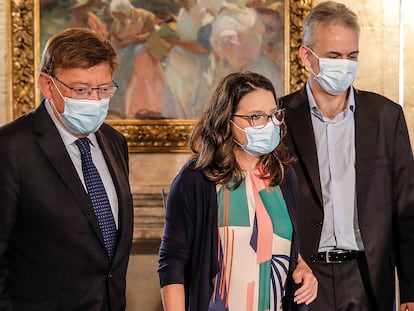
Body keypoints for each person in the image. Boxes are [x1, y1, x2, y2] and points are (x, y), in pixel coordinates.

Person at [279, 1, 414, 310]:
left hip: (368, 277)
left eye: (352, 56)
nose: (345, 64)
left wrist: (410, 289)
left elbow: (406, 207)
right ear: (306, 56)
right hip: (302, 279)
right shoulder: (279, 118)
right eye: (334, 56)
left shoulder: (386, 116)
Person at [158, 71, 318, 311]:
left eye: (274, 115)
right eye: (256, 117)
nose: (268, 124)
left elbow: (283, 246)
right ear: (227, 119)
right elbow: (172, 261)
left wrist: (302, 267)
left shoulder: (283, 177)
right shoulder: (196, 179)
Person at [0, 28, 134, 310]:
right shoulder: (10, 148)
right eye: (81, 90)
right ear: (48, 86)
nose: (95, 101)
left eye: (104, 89)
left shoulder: (114, 142)